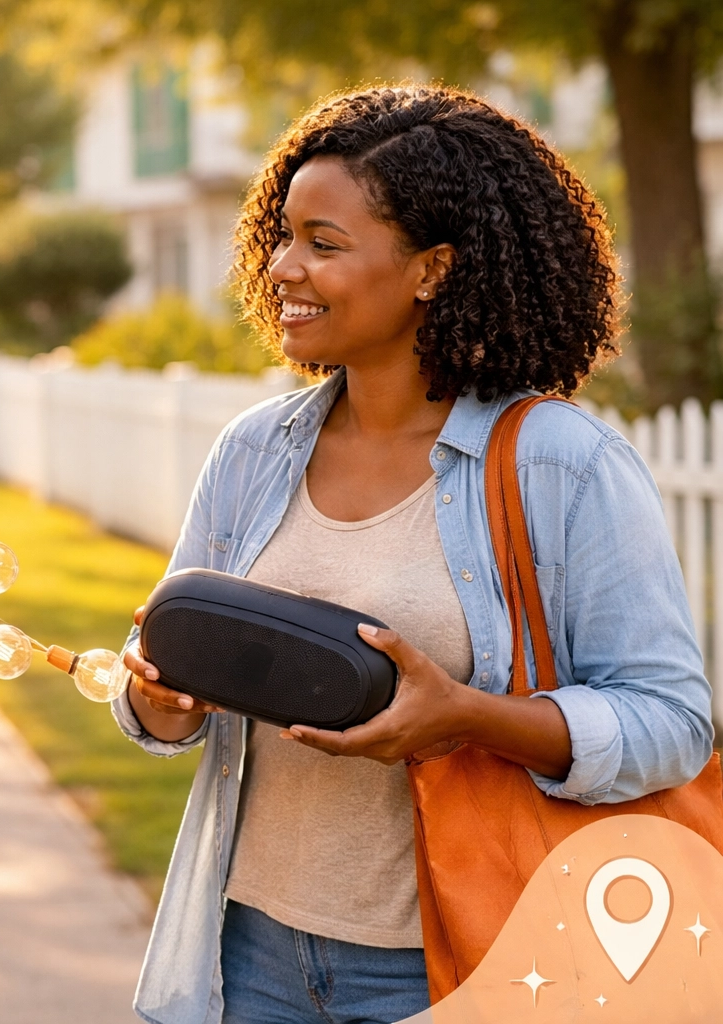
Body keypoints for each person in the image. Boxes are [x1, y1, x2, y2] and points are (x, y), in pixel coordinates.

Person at [113, 85, 715, 1024]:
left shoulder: (564, 464)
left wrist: (470, 718)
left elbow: (673, 721)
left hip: (461, 961)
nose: (283, 268)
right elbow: (163, 688)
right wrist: (158, 695)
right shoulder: (252, 452)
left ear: (432, 269)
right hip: (253, 948)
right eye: (281, 237)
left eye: (324, 243)